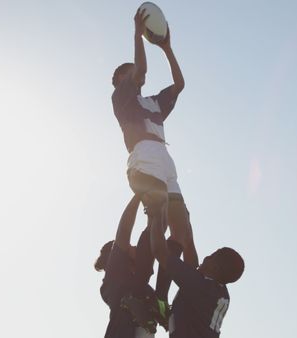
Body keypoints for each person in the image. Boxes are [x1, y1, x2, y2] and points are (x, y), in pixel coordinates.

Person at [111, 7, 197, 312]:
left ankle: (166, 296)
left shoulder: (154, 103)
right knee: (158, 228)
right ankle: (142, 292)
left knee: (183, 234)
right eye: (129, 71)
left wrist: (167, 48)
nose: (135, 73)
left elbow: (180, 85)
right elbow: (142, 72)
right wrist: (137, 35)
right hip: (144, 157)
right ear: (121, 79)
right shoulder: (122, 97)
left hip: (164, 157)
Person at [149, 209, 245, 338]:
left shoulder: (200, 286)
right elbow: (188, 246)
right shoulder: (215, 290)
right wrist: (185, 222)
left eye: (211, 256)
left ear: (215, 268)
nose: (205, 258)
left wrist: (157, 212)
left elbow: (159, 250)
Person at [95, 195, 157, 337]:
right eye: (129, 246)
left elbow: (150, 237)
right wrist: (139, 194)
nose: (134, 245)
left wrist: (153, 212)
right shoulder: (114, 280)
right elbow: (124, 230)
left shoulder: (141, 280)